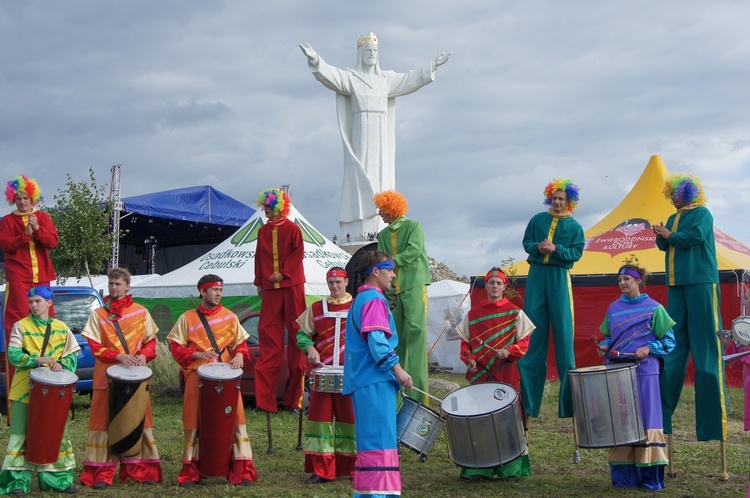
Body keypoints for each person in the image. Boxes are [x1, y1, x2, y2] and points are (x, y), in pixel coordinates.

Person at [299, 33, 451, 238]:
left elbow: (409, 79)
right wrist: (316, 59)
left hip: (381, 131)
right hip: (361, 130)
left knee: (382, 174)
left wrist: (433, 65)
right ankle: (359, 222)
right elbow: (331, 76)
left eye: (375, 52)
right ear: (361, 54)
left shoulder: (386, 79)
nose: (372, 55)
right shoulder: (351, 78)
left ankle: (383, 220)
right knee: (361, 172)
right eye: (368, 51)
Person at [654, 174, 727, 442]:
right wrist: (662, 235)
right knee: (672, 348)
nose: (672, 197)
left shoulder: (703, 213)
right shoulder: (672, 219)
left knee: (705, 348)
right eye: (670, 193)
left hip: (701, 282)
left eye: (675, 193)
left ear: (688, 192)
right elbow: (667, 244)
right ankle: (661, 420)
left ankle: (711, 425)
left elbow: (693, 237)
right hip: (676, 284)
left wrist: (670, 235)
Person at [167, 274, 258, 487]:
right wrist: (195, 355)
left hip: (227, 377)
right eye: (214, 290)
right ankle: (191, 471)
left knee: (235, 419)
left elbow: (241, 344)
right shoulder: (187, 318)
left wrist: (238, 355)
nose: (218, 294)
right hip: (197, 375)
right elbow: (176, 347)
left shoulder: (229, 317)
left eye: (220, 290)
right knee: (193, 420)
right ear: (202, 291)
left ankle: (241, 469)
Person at [80, 268, 162, 489]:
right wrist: (118, 356)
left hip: (136, 378)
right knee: (102, 424)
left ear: (127, 286)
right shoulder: (98, 315)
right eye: (111, 284)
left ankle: (138, 470)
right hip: (106, 379)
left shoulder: (141, 312)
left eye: (118, 284)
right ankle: (102, 473)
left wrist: (144, 356)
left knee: (138, 422)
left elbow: (151, 342)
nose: (114, 288)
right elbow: (95, 347)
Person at [595, 264, 676, 490]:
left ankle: (650, 478)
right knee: (621, 419)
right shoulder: (613, 308)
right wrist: (603, 346)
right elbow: (609, 337)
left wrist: (649, 348)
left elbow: (669, 341)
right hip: (618, 370)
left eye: (626, 279)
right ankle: (624, 478)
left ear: (638, 281)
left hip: (645, 370)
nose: (622, 283)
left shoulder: (655, 308)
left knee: (648, 419)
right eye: (619, 279)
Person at [344, 251, 412, 498]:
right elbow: (377, 342)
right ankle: (377, 494)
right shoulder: (373, 299)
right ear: (376, 271)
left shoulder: (362, 300)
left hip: (366, 381)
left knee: (372, 442)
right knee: (379, 442)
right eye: (390, 269)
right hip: (373, 380)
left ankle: (370, 493)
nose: (393, 275)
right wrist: (398, 370)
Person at [455, 268, 535, 481]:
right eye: (491, 283)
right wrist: (469, 359)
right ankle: (478, 467)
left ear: (504, 287)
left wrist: (509, 351)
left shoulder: (514, 312)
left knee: (508, 419)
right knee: (478, 419)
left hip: (505, 372)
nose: (495, 287)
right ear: (486, 286)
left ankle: (511, 469)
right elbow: (465, 344)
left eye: (499, 283)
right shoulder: (473, 314)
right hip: (480, 374)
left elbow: (524, 343)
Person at [0, 286, 78, 495]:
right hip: (24, 390)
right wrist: (36, 360)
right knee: (20, 434)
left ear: (49, 303)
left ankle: (57, 480)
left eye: (38, 301)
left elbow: (72, 355)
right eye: (31, 301)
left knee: (55, 434)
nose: (33, 305)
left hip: (53, 394)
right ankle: (17, 481)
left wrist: (61, 364)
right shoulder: (20, 326)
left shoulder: (62, 328)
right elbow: (14, 355)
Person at [517, 178, 584, 419]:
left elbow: (576, 253)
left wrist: (556, 250)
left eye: (561, 199)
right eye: (554, 198)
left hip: (559, 278)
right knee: (532, 333)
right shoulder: (537, 220)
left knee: (564, 339)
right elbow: (527, 242)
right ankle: (528, 403)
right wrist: (538, 248)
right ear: (549, 198)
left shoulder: (575, 227)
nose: (557, 202)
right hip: (536, 276)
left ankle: (568, 405)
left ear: (569, 202)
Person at [0, 175, 59, 414]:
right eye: (19, 198)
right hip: (19, 279)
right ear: (13, 199)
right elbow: (5, 246)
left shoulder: (43, 217)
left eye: (26, 198)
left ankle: (51, 385)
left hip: (41, 277)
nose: (23, 202)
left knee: (48, 326)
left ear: (32, 197)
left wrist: (37, 230)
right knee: (16, 328)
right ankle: (17, 399)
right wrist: (25, 233)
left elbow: (52, 242)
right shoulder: (6, 221)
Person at [295, 267, 355, 484]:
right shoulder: (316, 308)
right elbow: (302, 335)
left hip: (350, 374)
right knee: (319, 421)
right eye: (330, 283)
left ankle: (351, 467)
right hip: (321, 372)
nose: (334, 286)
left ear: (346, 281)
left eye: (338, 282)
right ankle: (321, 469)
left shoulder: (358, 306)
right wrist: (309, 348)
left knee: (350, 420)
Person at [373, 190, 431, 405]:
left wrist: (390, 262)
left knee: (415, 332)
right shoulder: (383, 235)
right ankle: (398, 389)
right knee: (396, 335)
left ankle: (418, 393)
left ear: (391, 209)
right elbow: (380, 258)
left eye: (382, 210)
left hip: (413, 284)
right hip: (392, 289)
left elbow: (414, 251)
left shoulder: (413, 226)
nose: (379, 214)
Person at [253, 188, 306, 412]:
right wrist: (259, 281)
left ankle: (294, 401)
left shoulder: (293, 229)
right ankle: (265, 402)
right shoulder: (263, 232)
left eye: (266, 207)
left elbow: (298, 253)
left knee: (298, 337)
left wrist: (284, 273)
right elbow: (258, 257)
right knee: (268, 338)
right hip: (271, 290)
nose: (264, 210)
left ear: (276, 207)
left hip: (292, 286)